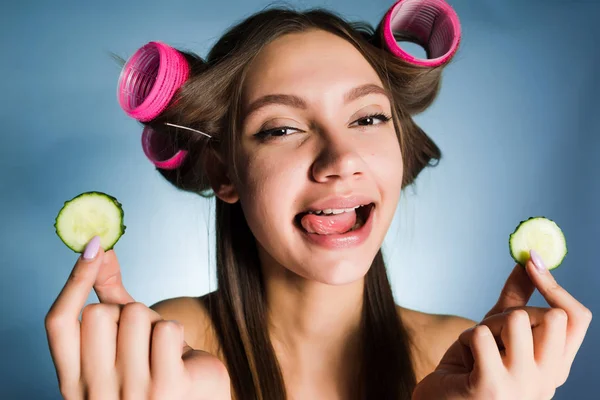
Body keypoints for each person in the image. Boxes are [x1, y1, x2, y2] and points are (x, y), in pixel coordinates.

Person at [45, 1, 592, 399]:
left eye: (368, 118)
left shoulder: (469, 365)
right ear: (225, 172)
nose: (340, 160)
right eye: (281, 128)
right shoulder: (153, 360)